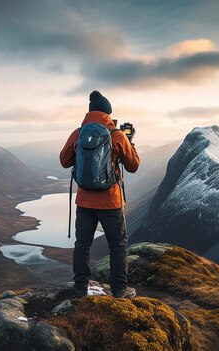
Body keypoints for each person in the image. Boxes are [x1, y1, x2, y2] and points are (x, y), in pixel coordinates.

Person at [59, 90, 140, 298]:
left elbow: (64, 160)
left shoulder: (79, 133)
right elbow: (133, 166)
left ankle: (80, 288)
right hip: (110, 203)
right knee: (118, 245)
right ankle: (120, 290)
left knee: (82, 244)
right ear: (108, 113)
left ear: (90, 112)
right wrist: (130, 142)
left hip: (84, 201)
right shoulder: (117, 135)